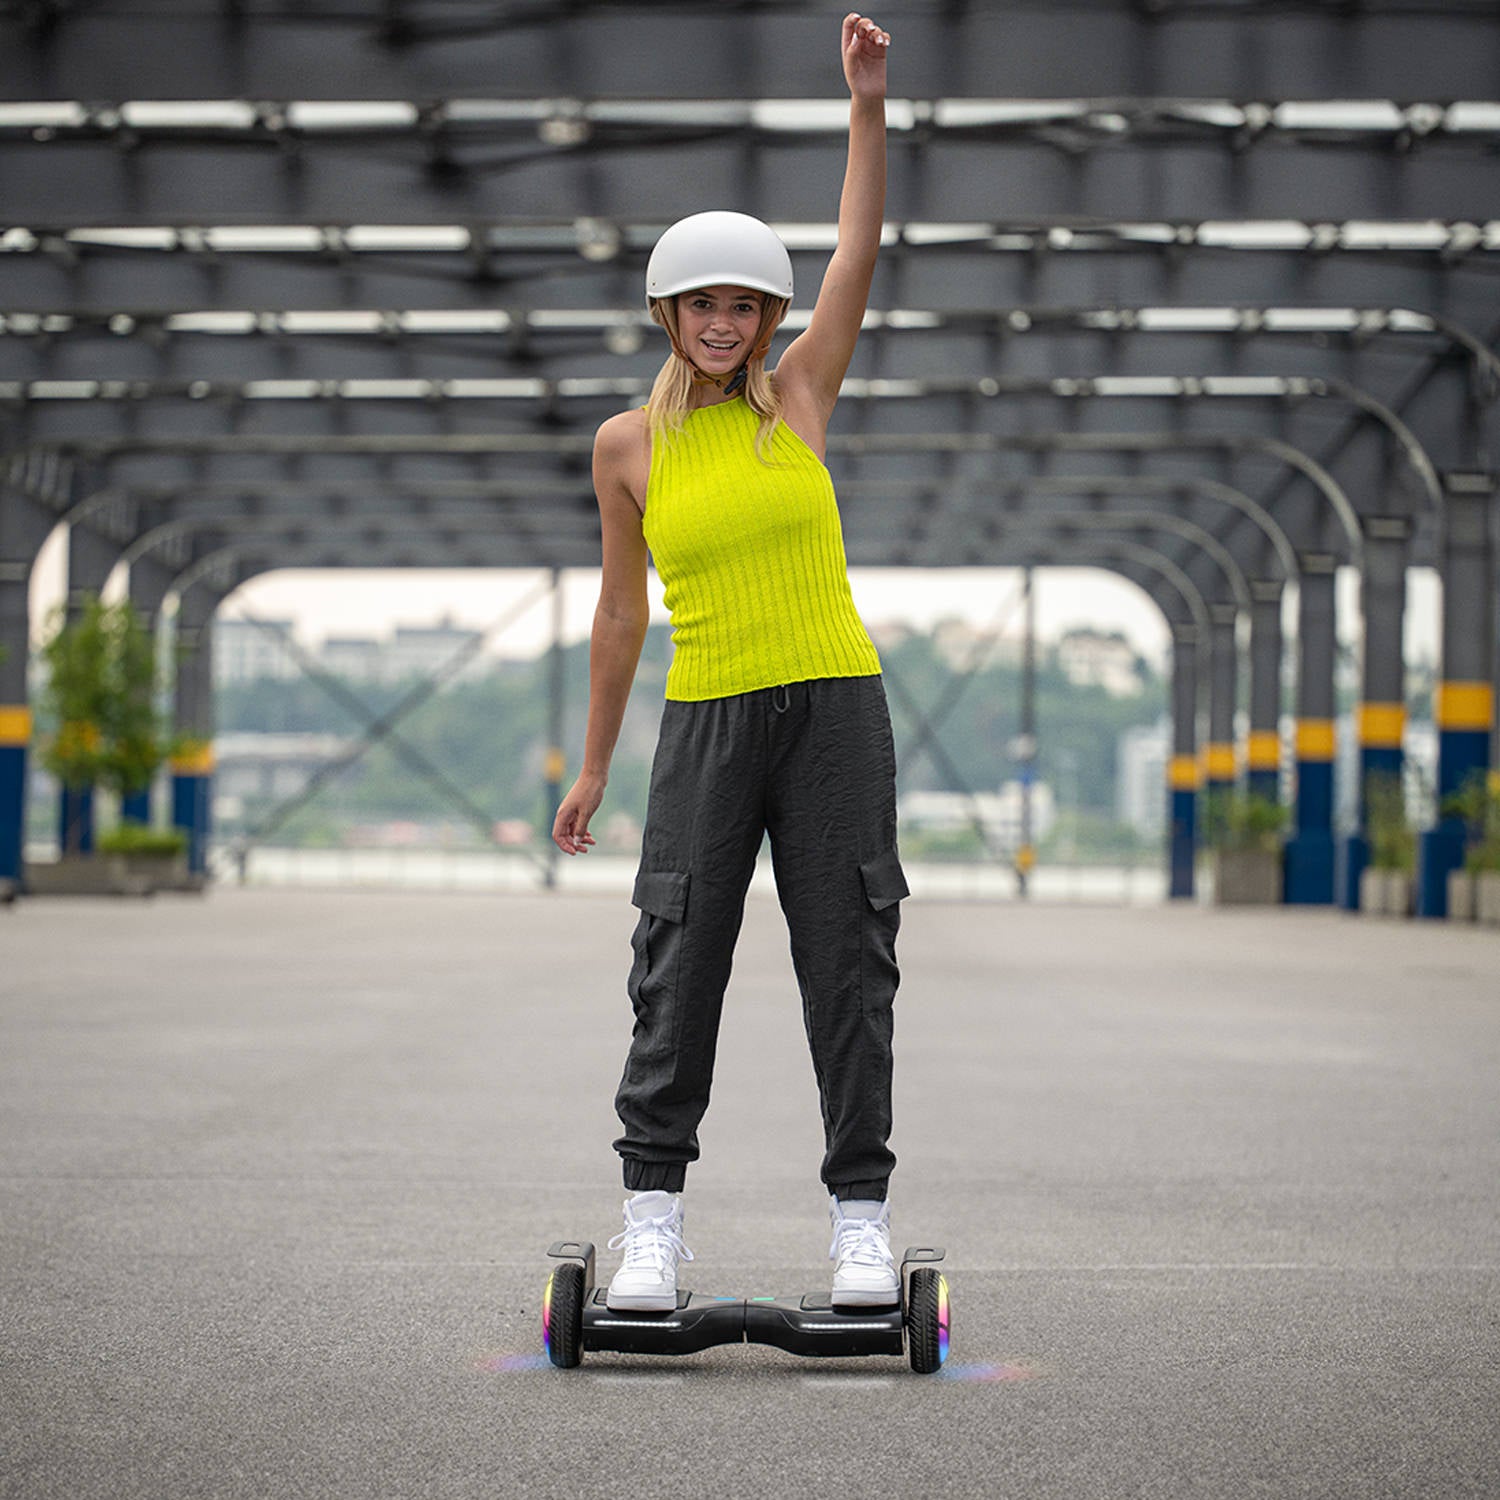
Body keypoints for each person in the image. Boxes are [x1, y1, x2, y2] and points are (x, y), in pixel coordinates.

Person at [552, 12, 904, 1313]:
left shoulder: (803, 393)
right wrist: (593, 767)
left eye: (745, 303)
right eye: (703, 301)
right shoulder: (625, 448)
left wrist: (865, 105)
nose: (723, 321)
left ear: (768, 316)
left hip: (834, 710)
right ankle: (651, 1224)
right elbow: (616, 618)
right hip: (703, 722)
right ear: (667, 309)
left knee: (848, 957)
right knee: (677, 959)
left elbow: (861, 247)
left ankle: (860, 1223)